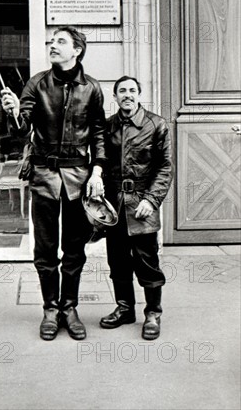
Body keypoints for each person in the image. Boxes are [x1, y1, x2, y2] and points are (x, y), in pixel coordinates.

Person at [1, 26, 106, 341]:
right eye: (52, 41)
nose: (53, 45)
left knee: (74, 249)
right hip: (44, 175)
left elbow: (99, 132)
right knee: (45, 249)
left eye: (61, 41)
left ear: (77, 50)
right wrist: (14, 113)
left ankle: (69, 308)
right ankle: (50, 309)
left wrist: (98, 172)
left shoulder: (92, 88)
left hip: (78, 177)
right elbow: (23, 129)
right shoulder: (37, 83)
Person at [100, 76, 173, 340]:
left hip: (142, 204)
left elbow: (165, 168)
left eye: (132, 90)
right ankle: (124, 308)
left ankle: (153, 312)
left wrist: (150, 200)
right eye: (122, 91)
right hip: (114, 206)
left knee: (147, 261)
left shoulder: (156, 124)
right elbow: (101, 163)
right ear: (115, 97)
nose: (127, 95)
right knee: (117, 261)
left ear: (140, 94)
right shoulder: (108, 127)